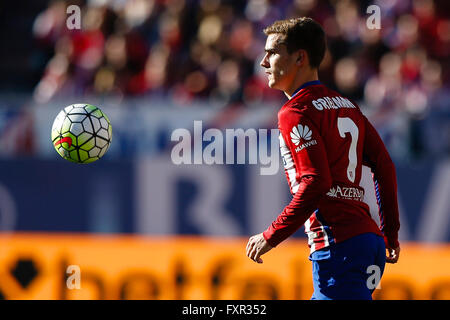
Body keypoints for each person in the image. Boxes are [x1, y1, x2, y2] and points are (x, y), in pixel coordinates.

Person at [245, 17, 400, 300]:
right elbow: (385, 166)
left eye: (272, 53)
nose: (263, 62)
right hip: (370, 244)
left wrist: (271, 235)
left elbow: (316, 182)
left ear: (300, 58)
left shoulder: (295, 112)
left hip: (339, 245)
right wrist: (389, 233)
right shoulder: (348, 106)